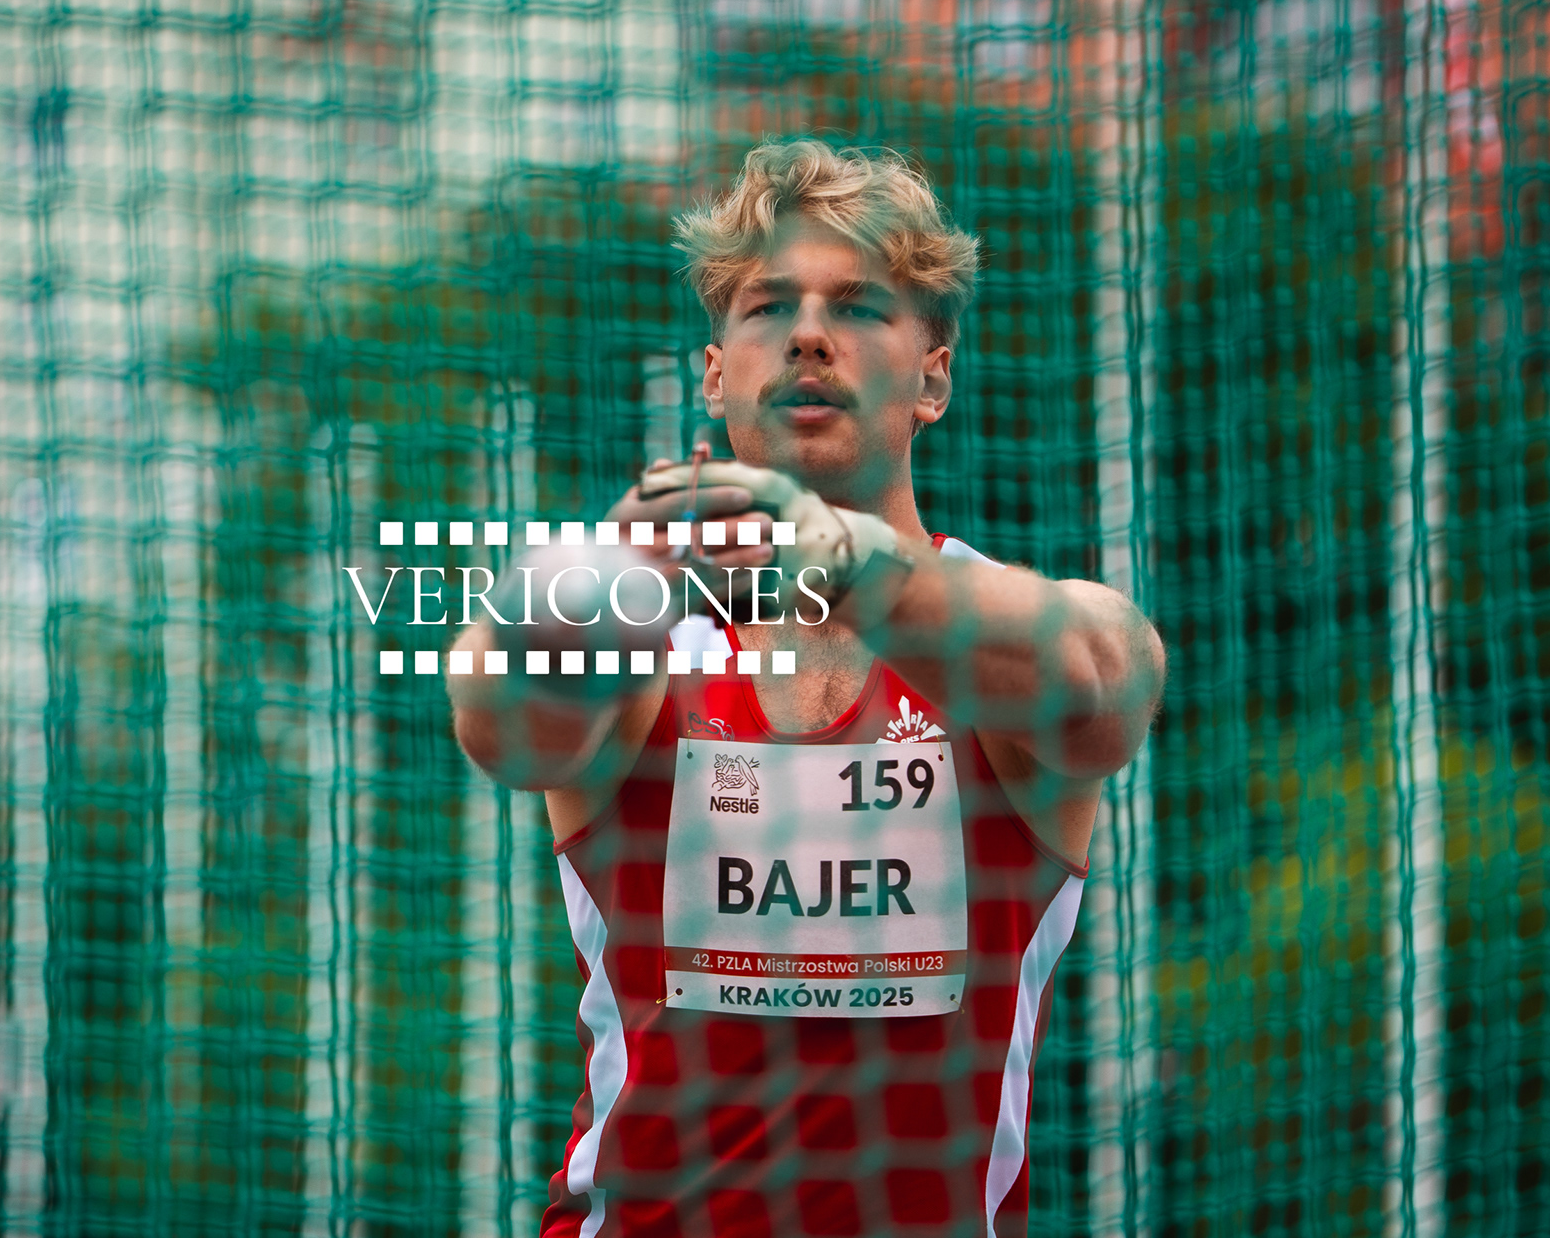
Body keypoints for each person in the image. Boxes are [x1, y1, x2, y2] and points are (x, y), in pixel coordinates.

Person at [447, 139, 1166, 1238]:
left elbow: (1105, 682)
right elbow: (498, 721)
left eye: (860, 306)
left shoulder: (1009, 637)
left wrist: (844, 560)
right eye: (770, 305)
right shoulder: (640, 639)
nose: (809, 334)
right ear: (715, 374)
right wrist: (596, 573)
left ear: (933, 377)